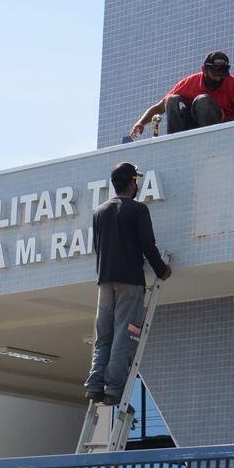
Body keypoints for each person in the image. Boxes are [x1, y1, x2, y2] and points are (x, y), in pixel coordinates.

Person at [84, 162, 172, 405]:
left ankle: (94, 383)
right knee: (125, 333)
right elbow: (148, 245)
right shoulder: (138, 210)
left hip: (104, 281)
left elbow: (97, 248)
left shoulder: (99, 211)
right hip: (130, 282)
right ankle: (113, 388)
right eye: (137, 181)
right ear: (132, 183)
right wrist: (161, 270)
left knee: (104, 335)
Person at [130, 51, 234, 139]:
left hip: (222, 131)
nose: (218, 79)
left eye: (222, 75)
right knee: (172, 100)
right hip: (190, 128)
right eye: (215, 75)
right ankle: (175, 140)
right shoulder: (190, 83)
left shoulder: (233, 85)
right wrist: (140, 123)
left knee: (202, 101)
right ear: (204, 70)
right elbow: (160, 107)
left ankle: (209, 139)